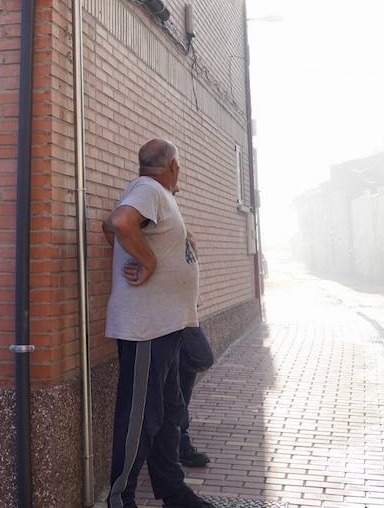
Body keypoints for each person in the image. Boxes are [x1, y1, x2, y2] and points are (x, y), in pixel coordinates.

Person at [102, 139, 212, 508]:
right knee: (140, 419)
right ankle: (120, 499)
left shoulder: (153, 194)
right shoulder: (148, 188)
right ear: (173, 166)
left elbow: (110, 226)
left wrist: (134, 252)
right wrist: (146, 262)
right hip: (146, 329)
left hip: (168, 327)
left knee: (166, 415)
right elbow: (119, 222)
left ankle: (173, 491)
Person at [177, 326, 215, 467]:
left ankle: (178, 441)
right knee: (200, 356)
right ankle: (179, 443)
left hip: (184, 316)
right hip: (169, 320)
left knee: (195, 361)